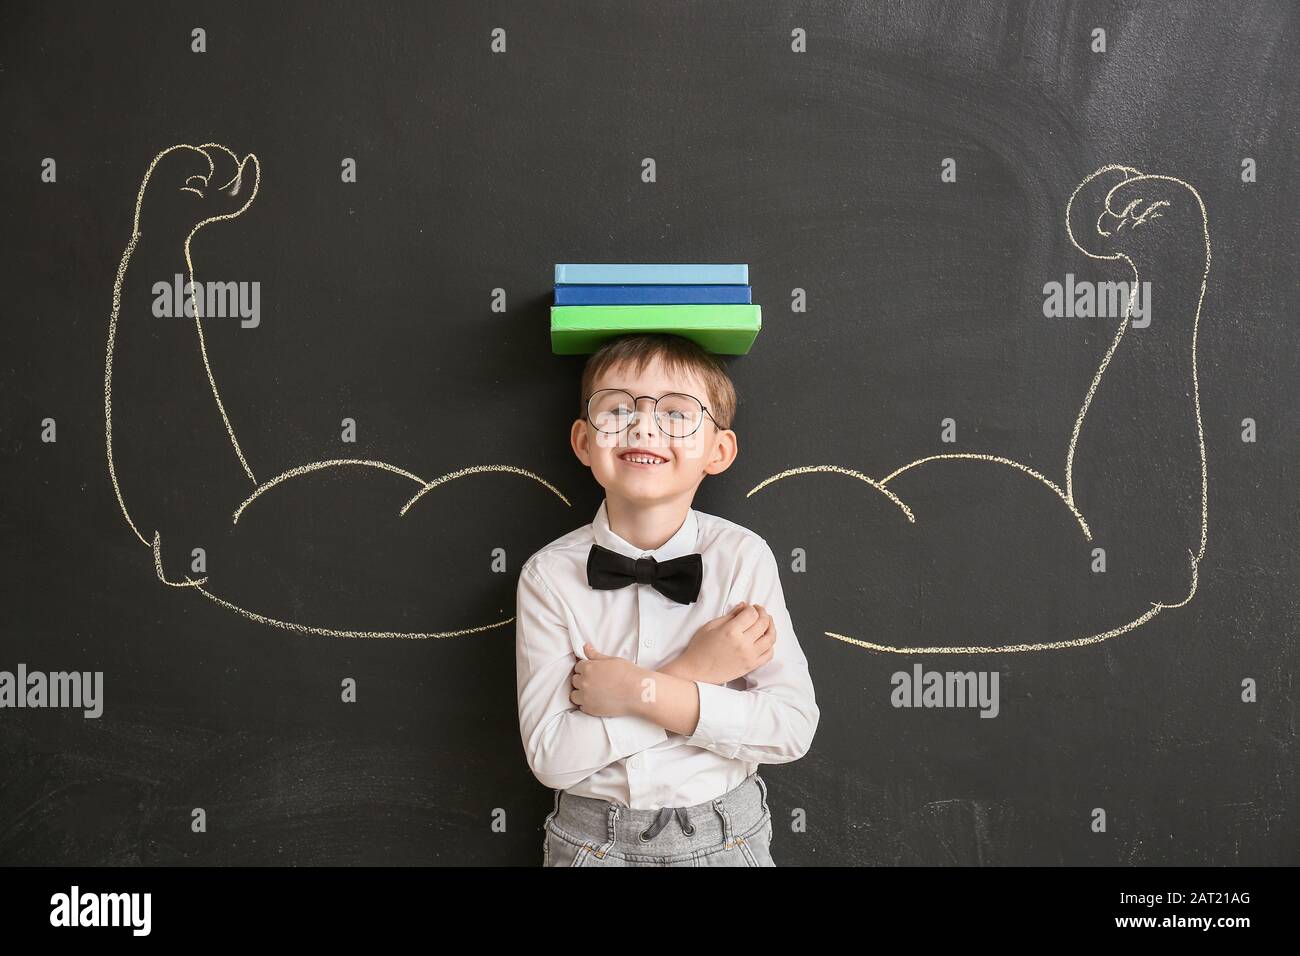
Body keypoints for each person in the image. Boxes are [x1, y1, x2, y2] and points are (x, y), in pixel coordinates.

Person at [515, 332, 819, 866]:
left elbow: (791, 728)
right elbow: (553, 758)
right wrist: (694, 670)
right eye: (617, 408)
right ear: (584, 441)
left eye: (678, 413)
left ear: (718, 451)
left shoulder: (742, 558)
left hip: (728, 838)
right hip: (592, 844)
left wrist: (637, 690)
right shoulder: (548, 576)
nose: (644, 425)